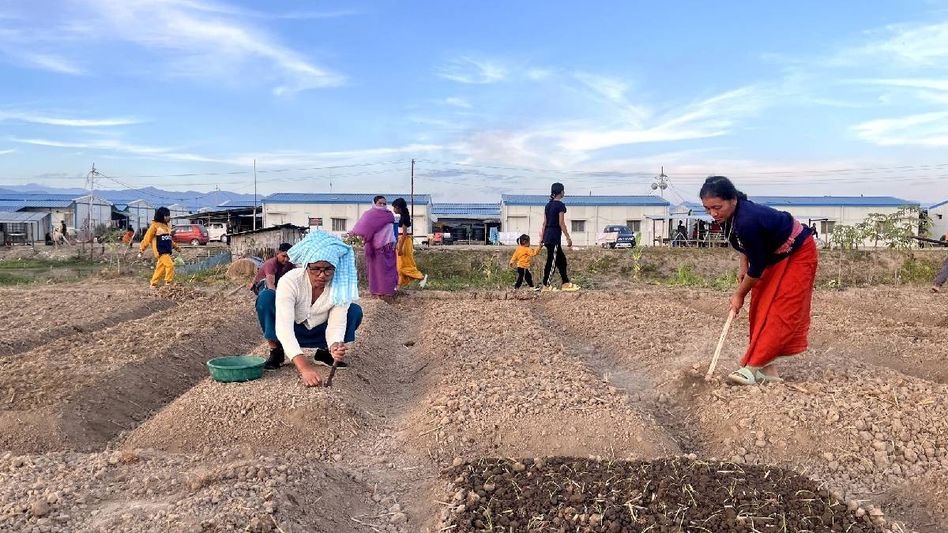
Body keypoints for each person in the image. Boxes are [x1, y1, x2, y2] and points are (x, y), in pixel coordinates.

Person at [700, 176, 818, 385]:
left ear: (733, 200)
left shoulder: (747, 219)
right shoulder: (728, 218)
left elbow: (757, 268)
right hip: (772, 256)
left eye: (717, 207)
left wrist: (739, 295)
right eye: (708, 209)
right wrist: (743, 265)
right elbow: (745, 245)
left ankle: (752, 367)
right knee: (761, 307)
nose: (713, 214)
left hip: (797, 253)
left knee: (781, 309)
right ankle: (768, 370)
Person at [254, 230, 363, 383]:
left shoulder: (340, 286)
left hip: (320, 331)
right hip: (293, 328)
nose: (322, 275)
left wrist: (335, 345)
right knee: (266, 298)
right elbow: (284, 327)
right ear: (306, 266)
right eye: (316, 269)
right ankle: (277, 350)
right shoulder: (291, 281)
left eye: (328, 269)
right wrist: (304, 368)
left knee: (354, 311)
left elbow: (336, 324)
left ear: (335, 268)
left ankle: (325, 352)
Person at [350, 195, 398, 299]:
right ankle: (378, 291)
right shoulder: (369, 215)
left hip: (389, 246)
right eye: (380, 203)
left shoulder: (389, 215)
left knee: (389, 270)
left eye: (384, 203)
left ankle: (388, 291)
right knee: (377, 271)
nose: (382, 205)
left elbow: (392, 230)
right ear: (374, 203)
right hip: (376, 247)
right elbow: (362, 228)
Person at [540, 182, 580, 292]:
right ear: (561, 192)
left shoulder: (548, 205)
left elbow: (544, 223)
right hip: (553, 237)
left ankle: (565, 283)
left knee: (561, 260)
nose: (564, 192)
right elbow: (561, 223)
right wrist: (568, 237)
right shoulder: (560, 205)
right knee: (551, 261)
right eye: (563, 191)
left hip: (548, 235)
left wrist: (542, 238)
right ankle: (546, 285)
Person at [138, 207, 181, 289]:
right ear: (161, 216)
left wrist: (176, 247)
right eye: (166, 216)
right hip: (160, 251)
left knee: (160, 268)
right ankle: (168, 283)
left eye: (168, 215)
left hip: (166, 250)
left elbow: (169, 239)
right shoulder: (154, 226)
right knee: (170, 265)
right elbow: (147, 238)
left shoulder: (167, 227)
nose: (168, 217)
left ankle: (153, 284)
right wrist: (141, 250)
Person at [391, 198, 428, 288]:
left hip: (404, 242)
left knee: (403, 265)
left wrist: (400, 248)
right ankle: (400, 284)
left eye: (394, 207)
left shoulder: (404, 218)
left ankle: (420, 277)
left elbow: (404, 235)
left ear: (398, 207)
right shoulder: (404, 217)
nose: (393, 210)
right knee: (401, 264)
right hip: (404, 241)